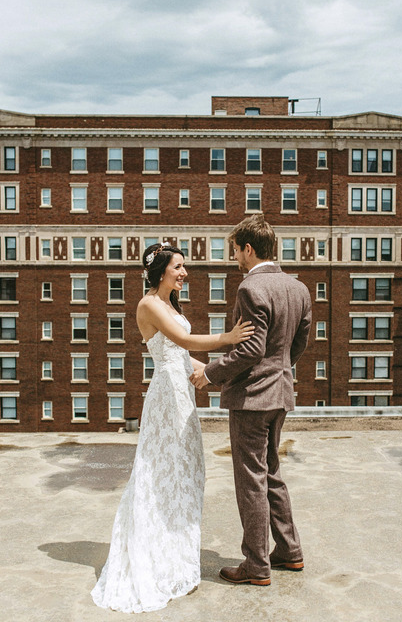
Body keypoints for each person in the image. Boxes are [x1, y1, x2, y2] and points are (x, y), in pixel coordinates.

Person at [91, 242, 253, 613]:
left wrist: (212, 371)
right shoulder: (148, 304)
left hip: (182, 392)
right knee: (162, 472)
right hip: (166, 397)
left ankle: (176, 555)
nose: (184, 273)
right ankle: (154, 556)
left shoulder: (169, 305)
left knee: (185, 471)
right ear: (160, 269)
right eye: (178, 266)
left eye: (184, 266)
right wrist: (227, 339)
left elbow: (181, 354)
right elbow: (182, 340)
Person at [192, 215, 312, 587]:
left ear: (248, 248)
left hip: (252, 399)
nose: (234, 258)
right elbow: (299, 343)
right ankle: (289, 550)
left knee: (251, 481)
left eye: (235, 251)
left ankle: (256, 565)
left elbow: (250, 349)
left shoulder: (250, 288)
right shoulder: (299, 288)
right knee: (271, 472)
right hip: (280, 393)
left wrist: (210, 373)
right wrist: (278, 371)